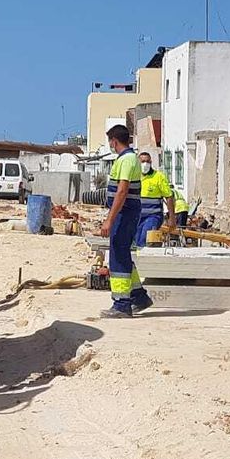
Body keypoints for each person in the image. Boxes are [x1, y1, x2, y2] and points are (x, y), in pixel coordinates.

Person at [98, 125, 153, 318]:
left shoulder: (128, 160)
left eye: (110, 142)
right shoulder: (127, 159)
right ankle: (138, 296)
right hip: (126, 213)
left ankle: (122, 303)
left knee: (119, 257)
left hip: (125, 214)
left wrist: (109, 221)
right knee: (123, 255)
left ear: (114, 141)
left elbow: (122, 191)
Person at [134, 151, 175, 249]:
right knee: (136, 240)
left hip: (153, 216)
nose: (145, 164)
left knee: (145, 238)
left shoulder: (158, 177)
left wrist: (172, 217)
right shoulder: (134, 176)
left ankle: (143, 260)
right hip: (137, 216)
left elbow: (169, 197)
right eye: (143, 161)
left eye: (148, 161)